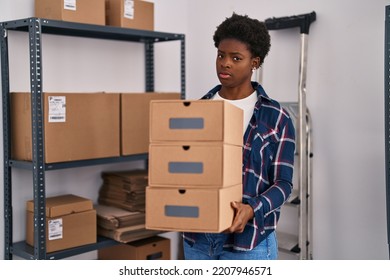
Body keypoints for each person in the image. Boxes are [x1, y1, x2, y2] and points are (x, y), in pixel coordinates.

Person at [182, 13, 296, 260]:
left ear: (254, 62)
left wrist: (252, 209)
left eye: (236, 58)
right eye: (221, 55)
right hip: (197, 240)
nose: (225, 63)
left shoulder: (276, 117)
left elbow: (284, 184)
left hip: (250, 243)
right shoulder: (196, 110)